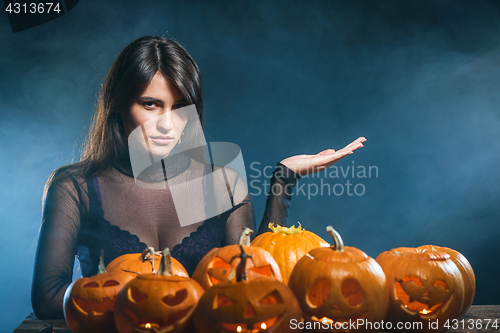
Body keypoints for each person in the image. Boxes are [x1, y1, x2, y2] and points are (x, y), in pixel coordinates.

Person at [31, 36, 366, 319]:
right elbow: (47, 298)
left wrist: (283, 180)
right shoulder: (75, 187)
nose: (168, 123)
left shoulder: (220, 183)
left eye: (180, 107)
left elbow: (252, 282)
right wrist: (143, 300)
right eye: (151, 105)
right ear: (119, 106)